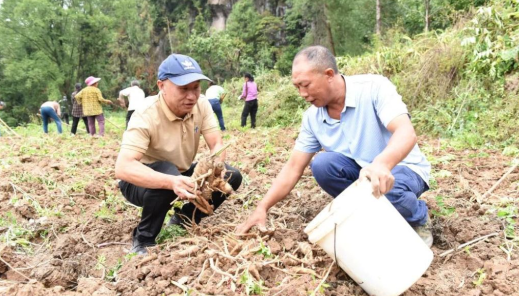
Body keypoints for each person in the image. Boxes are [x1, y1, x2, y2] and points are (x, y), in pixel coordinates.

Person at [236, 46, 433, 247]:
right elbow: (293, 168)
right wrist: (262, 207)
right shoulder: (313, 118)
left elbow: (406, 132)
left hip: (402, 169)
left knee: (386, 189)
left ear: (329, 74)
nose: (302, 94)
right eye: (297, 87)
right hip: (361, 173)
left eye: (306, 85)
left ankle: (418, 218)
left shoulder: (373, 87)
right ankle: (371, 212)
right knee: (322, 164)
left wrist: (382, 164)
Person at [115, 54, 242, 255]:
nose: (191, 96)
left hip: (180, 172)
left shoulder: (202, 104)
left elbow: (216, 143)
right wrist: (171, 182)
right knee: (168, 176)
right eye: (183, 89)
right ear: (161, 86)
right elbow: (124, 168)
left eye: (196, 87)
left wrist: (211, 172)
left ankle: (183, 219)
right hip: (138, 182)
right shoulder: (146, 113)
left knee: (231, 175)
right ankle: (143, 239)